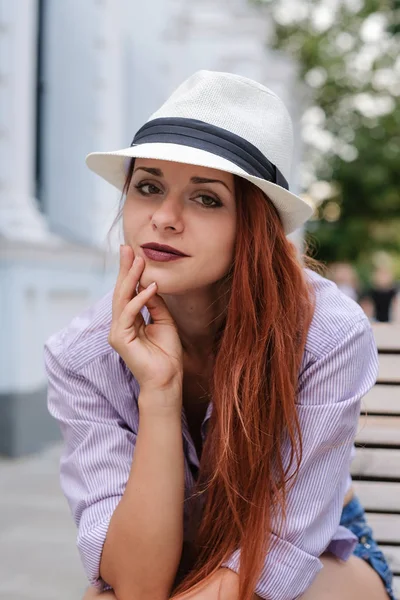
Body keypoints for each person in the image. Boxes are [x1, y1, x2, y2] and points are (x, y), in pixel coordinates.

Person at [44, 71, 395, 600]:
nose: (163, 218)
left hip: (315, 563)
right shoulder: (84, 353)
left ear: (252, 225)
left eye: (206, 199)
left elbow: (277, 558)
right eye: (148, 187)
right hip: (172, 557)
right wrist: (159, 393)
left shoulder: (325, 333)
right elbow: (136, 584)